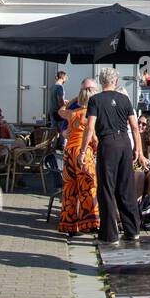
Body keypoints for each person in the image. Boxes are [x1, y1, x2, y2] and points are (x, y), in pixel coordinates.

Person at [86, 67, 147, 244]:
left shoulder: (95, 100)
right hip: (124, 142)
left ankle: (109, 235)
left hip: (107, 142)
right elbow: (135, 127)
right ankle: (132, 229)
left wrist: (84, 150)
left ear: (101, 80)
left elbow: (90, 127)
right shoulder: (124, 99)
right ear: (116, 81)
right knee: (126, 187)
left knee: (106, 188)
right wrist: (138, 149)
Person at [57, 86, 99, 235]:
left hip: (69, 152)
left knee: (70, 188)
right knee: (88, 187)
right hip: (83, 151)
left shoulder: (71, 113)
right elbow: (92, 136)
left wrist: (75, 99)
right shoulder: (90, 115)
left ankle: (69, 225)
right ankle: (89, 223)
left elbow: (60, 110)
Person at [51, 71, 69, 142]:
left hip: (53, 111)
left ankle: (52, 146)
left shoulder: (53, 86)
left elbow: (55, 99)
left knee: (53, 131)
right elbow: (60, 101)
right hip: (59, 112)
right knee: (63, 130)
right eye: (66, 77)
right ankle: (63, 146)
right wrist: (65, 107)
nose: (67, 79)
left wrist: (64, 100)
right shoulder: (60, 87)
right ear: (63, 77)